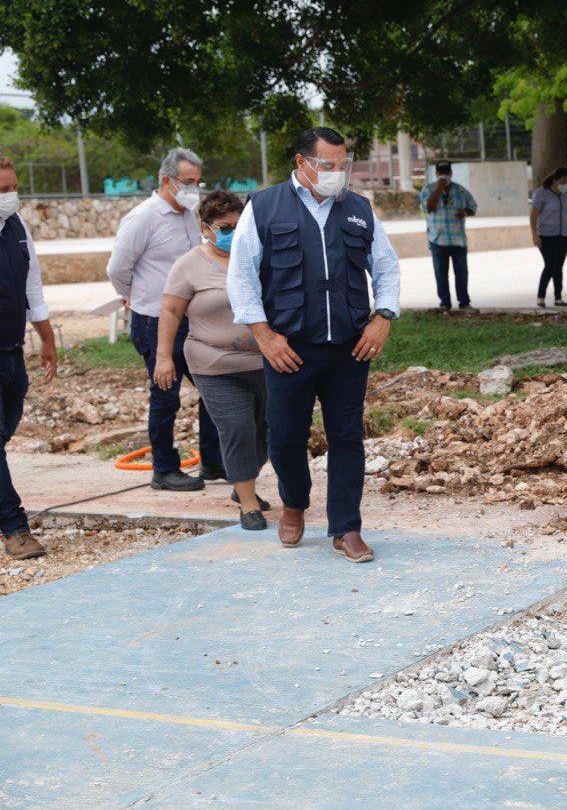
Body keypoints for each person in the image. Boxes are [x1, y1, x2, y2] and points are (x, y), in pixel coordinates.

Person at [227, 127, 401, 563]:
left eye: (343, 165)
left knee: (347, 438)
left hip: (348, 348)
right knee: (285, 437)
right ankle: (294, 505)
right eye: (328, 165)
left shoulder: (359, 209)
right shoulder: (264, 208)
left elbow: (387, 268)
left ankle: (346, 528)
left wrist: (382, 318)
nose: (336, 173)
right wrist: (264, 336)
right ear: (302, 161)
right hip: (289, 350)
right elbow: (242, 277)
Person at [106, 147, 223, 491]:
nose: (194, 189)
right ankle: (164, 469)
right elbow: (117, 269)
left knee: (213, 388)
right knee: (165, 394)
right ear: (165, 181)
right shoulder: (142, 218)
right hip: (156, 321)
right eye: (188, 182)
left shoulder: (190, 215)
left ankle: (214, 461)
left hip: (192, 320)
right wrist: (137, 297)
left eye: (198, 182)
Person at [155, 191, 269, 531]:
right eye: (224, 226)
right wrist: (163, 357)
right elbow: (171, 310)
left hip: (265, 361)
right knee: (236, 427)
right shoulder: (189, 264)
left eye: (239, 225)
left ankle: (243, 479)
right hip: (214, 362)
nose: (233, 232)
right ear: (206, 228)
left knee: (271, 431)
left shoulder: (258, 257)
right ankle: (248, 503)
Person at [0, 155, 58, 560]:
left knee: (5, 432)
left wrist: (47, 338)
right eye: (3, 190)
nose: (11, 196)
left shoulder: (17, 228)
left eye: (12, 188)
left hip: (11, 353)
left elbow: (31, 286)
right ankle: (14, 527)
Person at [420, 160, 477, 311]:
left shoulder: (461, 190)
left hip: (458, 240)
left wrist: (465, 212)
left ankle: (464, 303)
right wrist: (439, 189)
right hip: (438, 240)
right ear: (436, 174)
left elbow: (473, 207)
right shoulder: (428, 189)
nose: (444, 175)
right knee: (441, 274)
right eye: (441, 172)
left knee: (461, 274)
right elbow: (429, 207)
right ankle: (445, 304)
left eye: (446, 172)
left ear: (451, 173)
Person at [530, 167, 567, 307]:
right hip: (546, 236)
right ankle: (540, 296)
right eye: (563, 181)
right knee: (550, 265)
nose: (565, 184)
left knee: (558, 266)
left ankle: (558, 298)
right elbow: (533, 216)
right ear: (555, 179)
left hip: (563, 235)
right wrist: (534, 235)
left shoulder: (566, 193)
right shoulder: (541, 193)